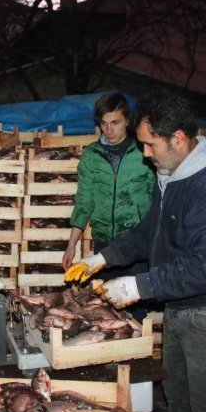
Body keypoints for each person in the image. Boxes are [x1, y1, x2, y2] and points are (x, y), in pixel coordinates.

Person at [65, 90, 206, 412]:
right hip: (180, 301)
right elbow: (150, 229)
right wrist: (103, 259)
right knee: (178, 397)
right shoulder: (170, 173)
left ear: (179, 139)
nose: (144, 153)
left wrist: (137, 287)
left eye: (150, 145)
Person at [61, 91, 155, 318]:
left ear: (128, 121)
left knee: (137, 308)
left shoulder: (145, 153)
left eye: (115, 122)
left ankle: (137, 352)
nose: (109, 130)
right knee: (106, 308)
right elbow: (84, 200)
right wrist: (71, 244)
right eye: (104, 123)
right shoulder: (92, 156)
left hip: (137, 245)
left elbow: (156, 198)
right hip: (104, 245)